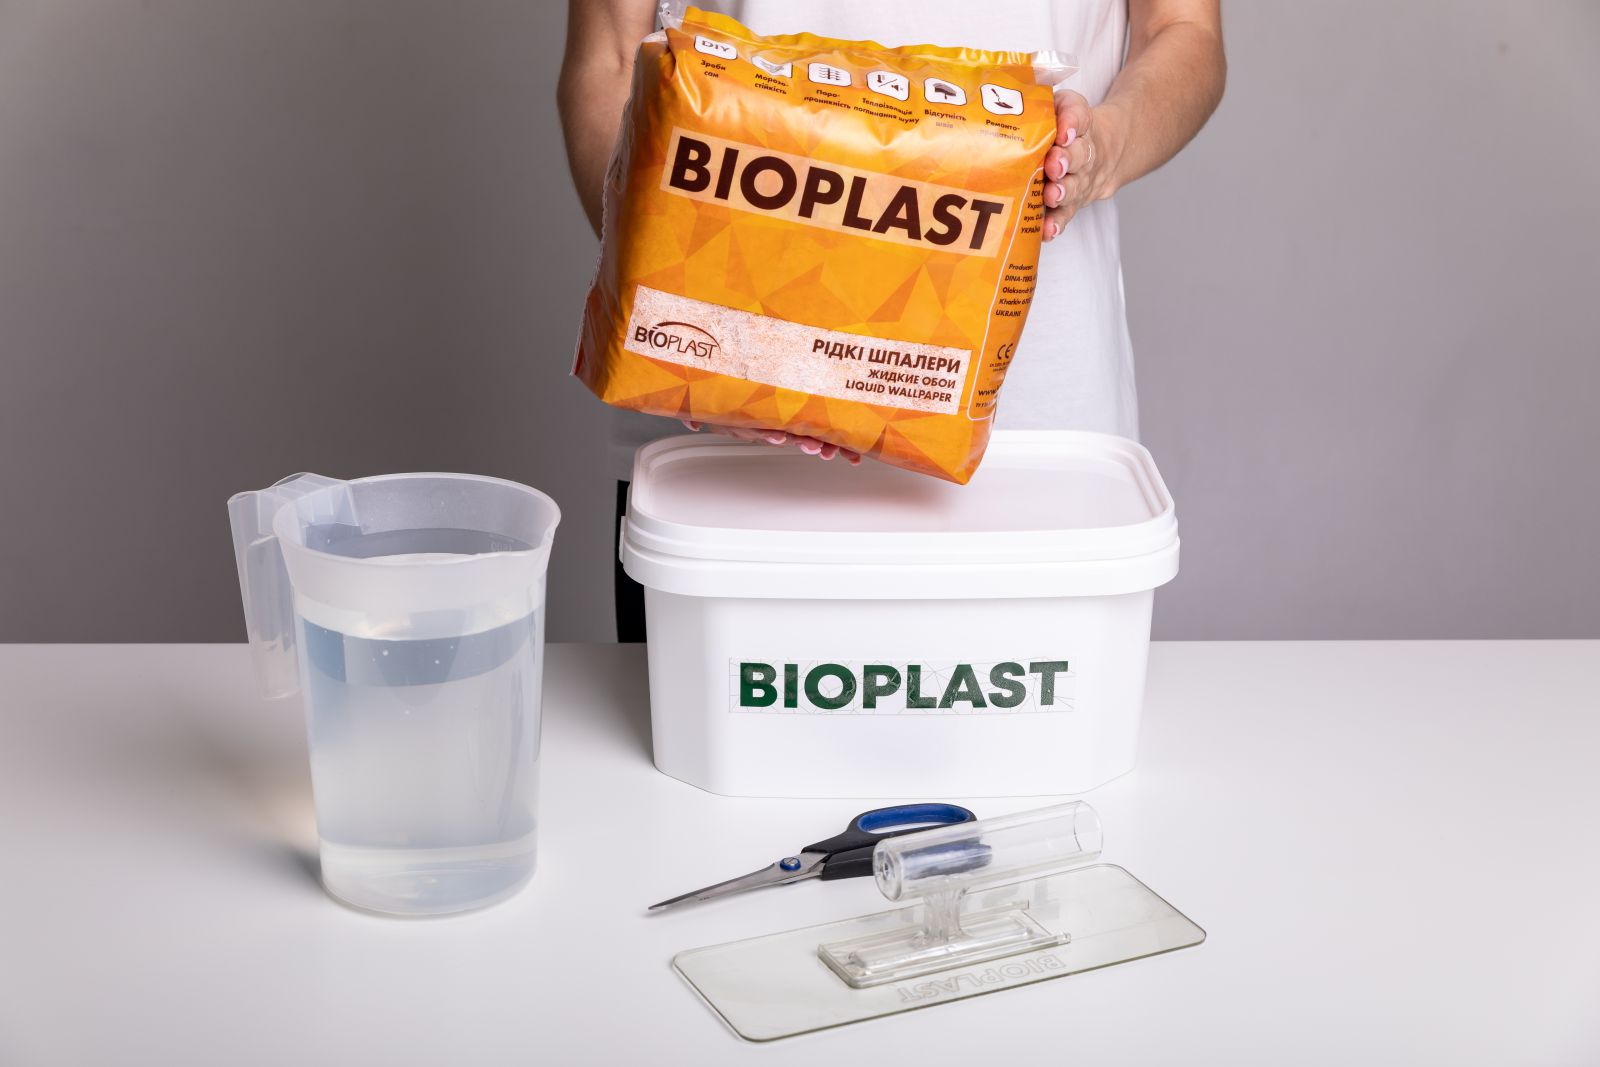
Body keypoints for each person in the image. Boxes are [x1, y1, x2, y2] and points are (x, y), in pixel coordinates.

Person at [559, 1, 1225, 641]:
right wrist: (678, 294)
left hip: (1033, 433)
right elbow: (609, 58)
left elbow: (1182, 27)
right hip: (714, 425)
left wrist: (1101, 148)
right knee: (706, 718)